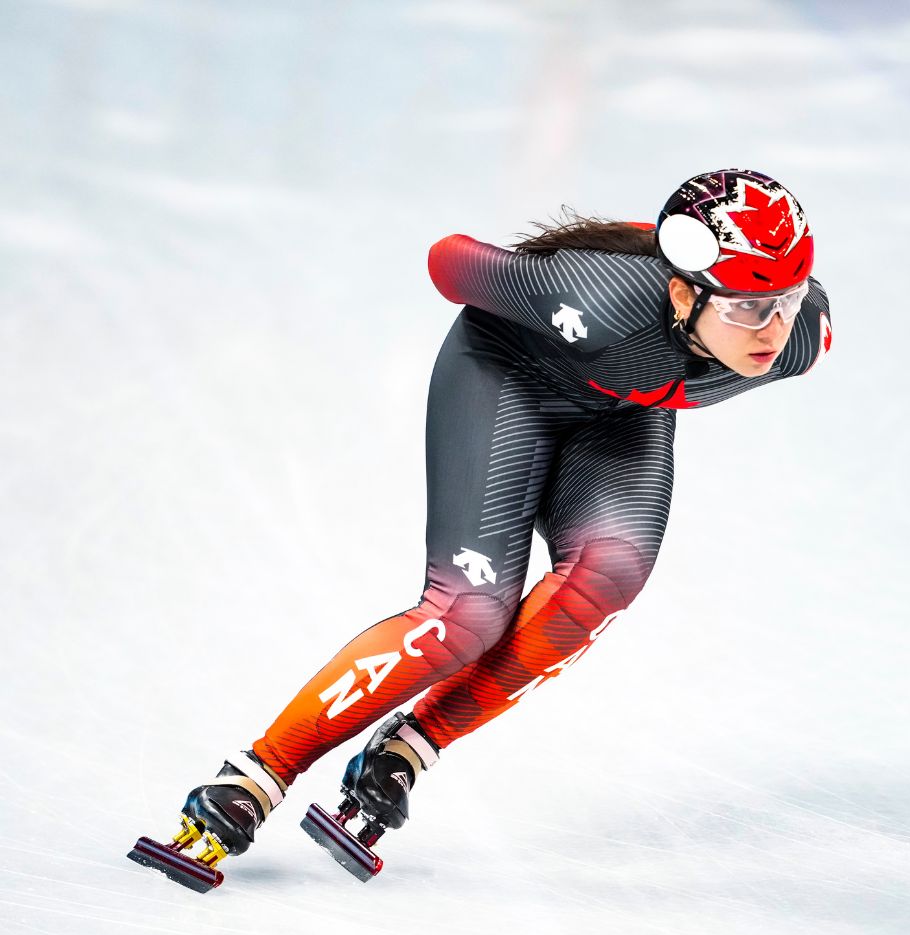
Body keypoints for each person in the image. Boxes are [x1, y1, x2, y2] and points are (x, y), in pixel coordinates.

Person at [137, 168, 833, 887]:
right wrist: (589, 263)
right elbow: (448, 259)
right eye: (749, 311)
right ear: (683, 292)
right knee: (466, 615)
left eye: (785, 300)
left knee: (609, 574)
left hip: (621, 414)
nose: (772, 332)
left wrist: (754, 297)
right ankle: (255, 776)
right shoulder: (595, 298)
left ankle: (408, 749)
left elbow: (765, 316)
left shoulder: (803, 336)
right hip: (508, 378)